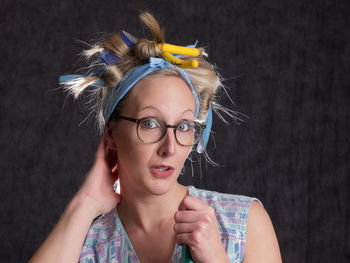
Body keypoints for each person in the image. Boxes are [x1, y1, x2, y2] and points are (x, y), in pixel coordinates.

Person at [29, 12, 282, 263]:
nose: (169, 147)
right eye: (150, 123)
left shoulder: (243, 225)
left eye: (183, 126)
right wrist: (87, 201)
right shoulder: (83, 246)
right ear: (111, 136)